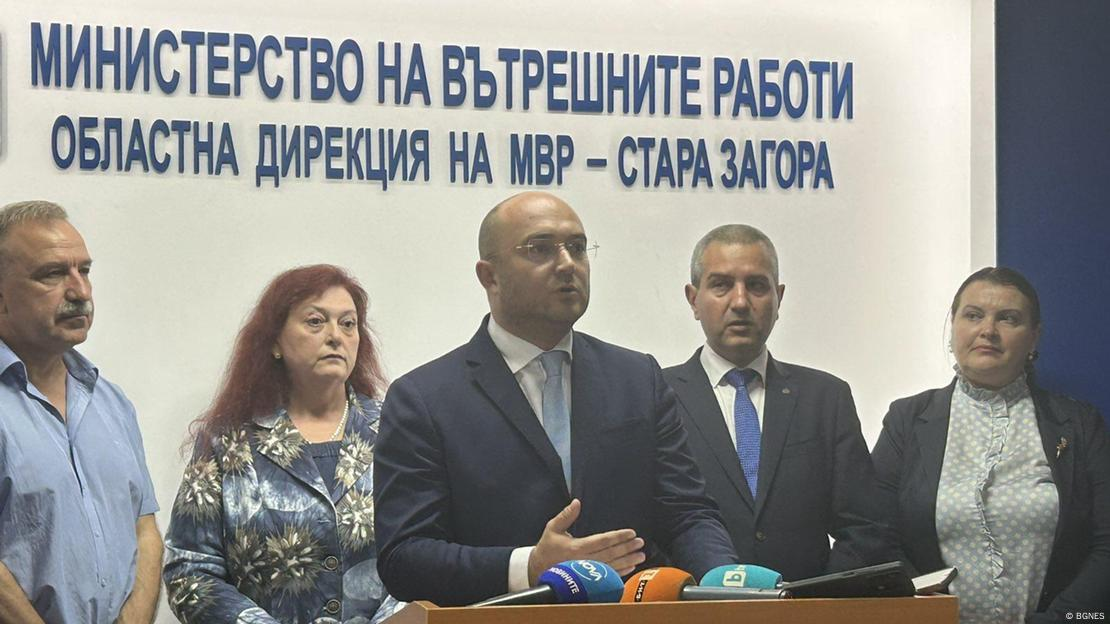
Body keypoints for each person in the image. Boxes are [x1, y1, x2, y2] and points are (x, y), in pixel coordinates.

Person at [374, 191, 737, 606]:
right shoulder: (424, 399)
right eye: (540, 249)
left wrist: (727, 585)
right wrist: (529, 566)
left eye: (577, 248)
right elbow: (404, 558)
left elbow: (688, 513)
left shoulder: (637, 378)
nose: (567, 264)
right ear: (489, 276)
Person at [163, 265, 400, 624]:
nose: (335, 336)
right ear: (274, 341)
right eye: (316, 322)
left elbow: (428, 553)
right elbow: (190, 571)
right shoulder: (227, 440)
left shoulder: (397, 431)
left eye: (348, 324)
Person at [872, 267, 1110, 622]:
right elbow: (876, 536)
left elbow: (1106, 544)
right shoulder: (907, 420)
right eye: (973, 315)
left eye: (1008, 318)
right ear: (953, 326)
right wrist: (928, 612)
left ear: (1033, 338)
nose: (988, 330)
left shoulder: (1079, 424)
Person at [662, 224, 888, 581]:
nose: (740, 302)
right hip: (695, 604)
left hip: (806, 606)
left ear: (778, 298)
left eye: (756, 285)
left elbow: (865, 528)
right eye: (721, 285)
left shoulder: (826, 398)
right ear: (693, 299)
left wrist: (815, 599)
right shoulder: (657, 396)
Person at [0, 201, 162, 624]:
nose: (81, 292)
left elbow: (144, 529)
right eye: (52, 274)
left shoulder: (111, 402)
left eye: (84, 271)